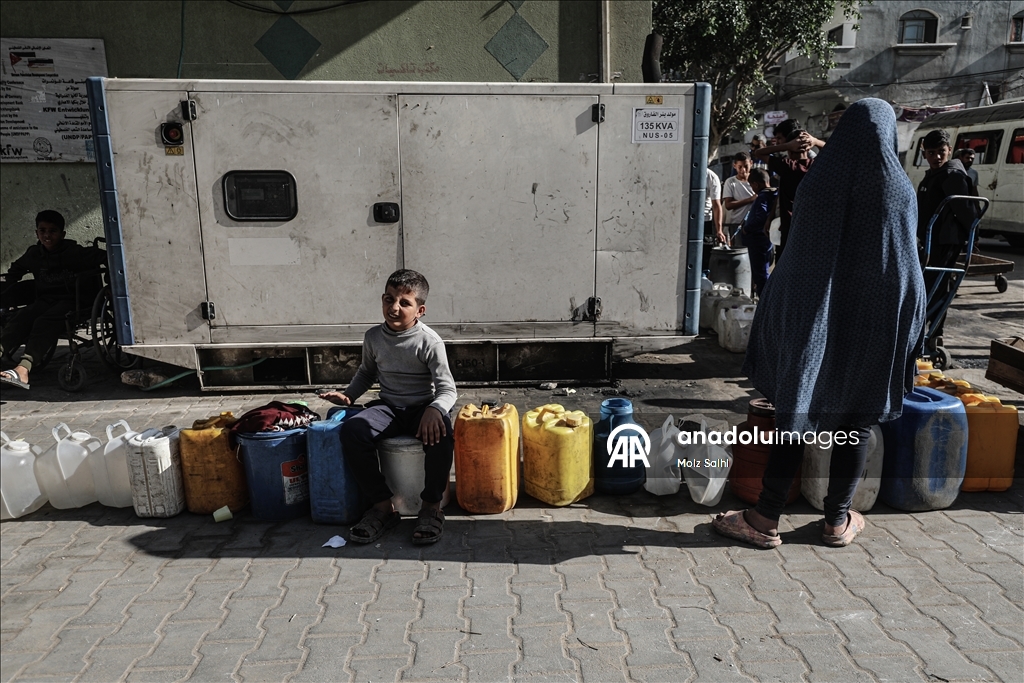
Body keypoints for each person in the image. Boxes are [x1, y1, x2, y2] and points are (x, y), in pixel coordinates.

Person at [713, 98, 926, 549]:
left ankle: (764, 517)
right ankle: (835, 521)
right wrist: (909, 329)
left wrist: (778, 316)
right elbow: (908, 271)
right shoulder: (899, 189)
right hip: (873, 323)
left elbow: (796, 261)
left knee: (797, 406)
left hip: (814, 317)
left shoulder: (820, 183)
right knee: (856, 415)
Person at [320, 269, 457, 546]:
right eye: (388, 299)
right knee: (353, 429)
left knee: (443, 433)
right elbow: (367, 373)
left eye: (404, 303)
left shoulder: (430, 342)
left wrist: (435, 410)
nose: (394, 308)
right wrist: (349, 396)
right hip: (389, 407)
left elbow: (447, 389)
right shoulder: (373, 337)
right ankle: (383, 506)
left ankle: (431, 507)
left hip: (422, 408)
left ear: (420, 310)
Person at [1, 210, 106, 390]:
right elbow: (17, 268)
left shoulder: (75, 252)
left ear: (62, 234)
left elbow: (105, 258)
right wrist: (9, 286)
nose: (47, 235)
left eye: (52, 231)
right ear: (37, 233)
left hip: (73, 301)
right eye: (42, 231)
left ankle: (23, 369)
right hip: (46, 299)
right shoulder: (34, 254)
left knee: (44, 322)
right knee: (22, 317)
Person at [916, 130, 976, 345]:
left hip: (944, 242)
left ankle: (933, 335)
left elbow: (967, 211)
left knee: (937, 287)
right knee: (927, 286)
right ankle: (926, 332)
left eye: (941, 152)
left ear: (950, 151)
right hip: (929, 242)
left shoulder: (952, 175)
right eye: (931, 153)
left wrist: (971, 237)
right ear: (924, 154)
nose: (937, 157)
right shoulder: (932, 175)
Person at [753, 123, 825, 263]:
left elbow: (759, 153)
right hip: (813, 228)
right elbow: (835, 151)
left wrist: (787, 145)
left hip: (790, 228)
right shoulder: (817, 165)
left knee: (786, 267)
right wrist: (815, 141)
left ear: (790, 150)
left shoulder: (787, 166)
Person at [738, 168, 777, 297]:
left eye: (751, 185)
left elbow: (760, 218)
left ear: (755, 184)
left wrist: (746, 228)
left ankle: (764, 300)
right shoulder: (774, 195)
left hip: (757, 240)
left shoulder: (763, 197)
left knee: (760, 273)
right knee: (762, 270)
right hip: (765, 240)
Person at [722, 152, 757, 244]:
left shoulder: (757, 180)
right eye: (740, 167)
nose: (743, 170)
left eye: (746, 166)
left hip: (754, 224)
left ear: (751, 163)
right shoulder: (730, 182)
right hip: (736, 224)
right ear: (734, 166)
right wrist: (750, 200)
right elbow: (728, 205)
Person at [702, 167, 726, 270]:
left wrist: (719, 230)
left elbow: (716, 205)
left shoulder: (711, 177)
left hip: (705, 220)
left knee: (705, 253)